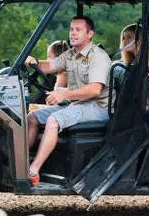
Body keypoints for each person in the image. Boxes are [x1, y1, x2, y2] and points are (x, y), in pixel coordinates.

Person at [24, 16, 112, 185]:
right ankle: (22, 162)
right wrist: (33, 62)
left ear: (90, 34)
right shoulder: (71, 54)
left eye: (78, 30)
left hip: (98, 106)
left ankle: (33, 171)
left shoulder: (98, 57)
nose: (73, 33)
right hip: (79, 104)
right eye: (71, 29)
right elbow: (51, 66)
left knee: (53, 120)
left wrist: (64, 94)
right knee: (32, 117)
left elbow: (94, 90)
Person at [118, 24, 149, 109]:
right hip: (139, 97)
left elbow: (147, 84)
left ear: (140, 39)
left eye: (129, 37)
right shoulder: (135, 58)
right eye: (123, 38)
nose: (125, 41)